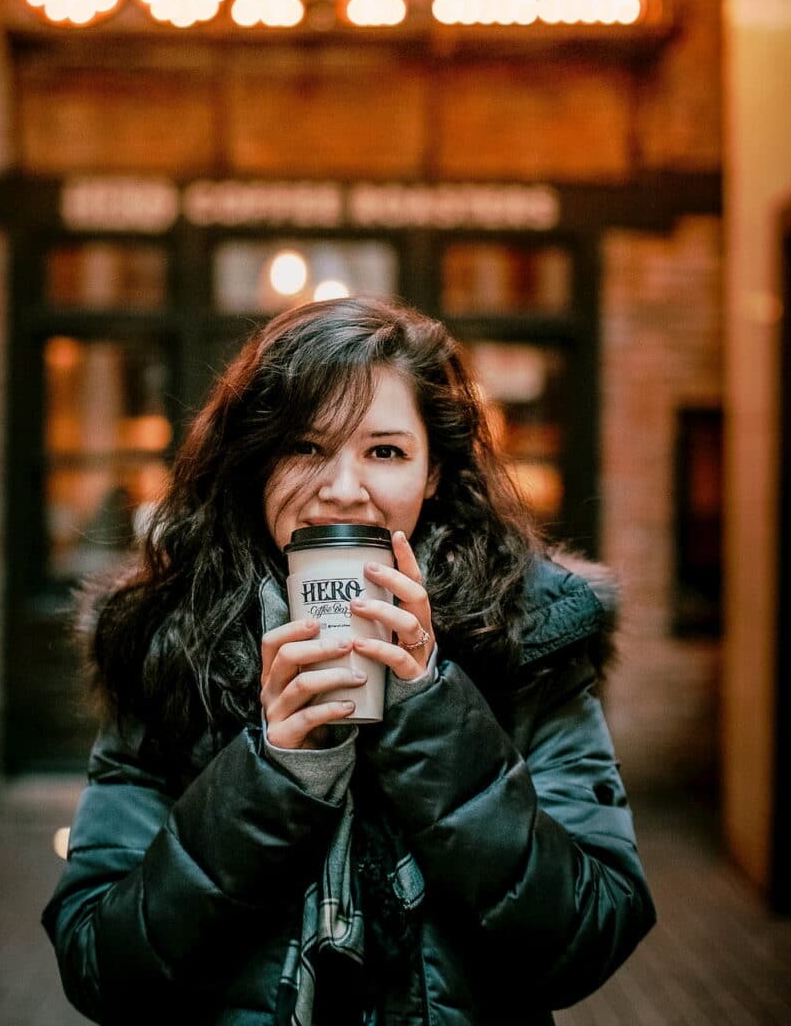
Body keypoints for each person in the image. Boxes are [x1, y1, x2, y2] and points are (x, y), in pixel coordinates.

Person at [42, 295, 655, 1026]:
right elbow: (101, 967)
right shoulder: (170, 645)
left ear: (432, 474)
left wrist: (429, 705)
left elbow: (590, 933)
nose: (341, 488)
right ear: (255, 464)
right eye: (304, 446)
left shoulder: (529, 638)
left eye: (385, 451)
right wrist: (273, 770)